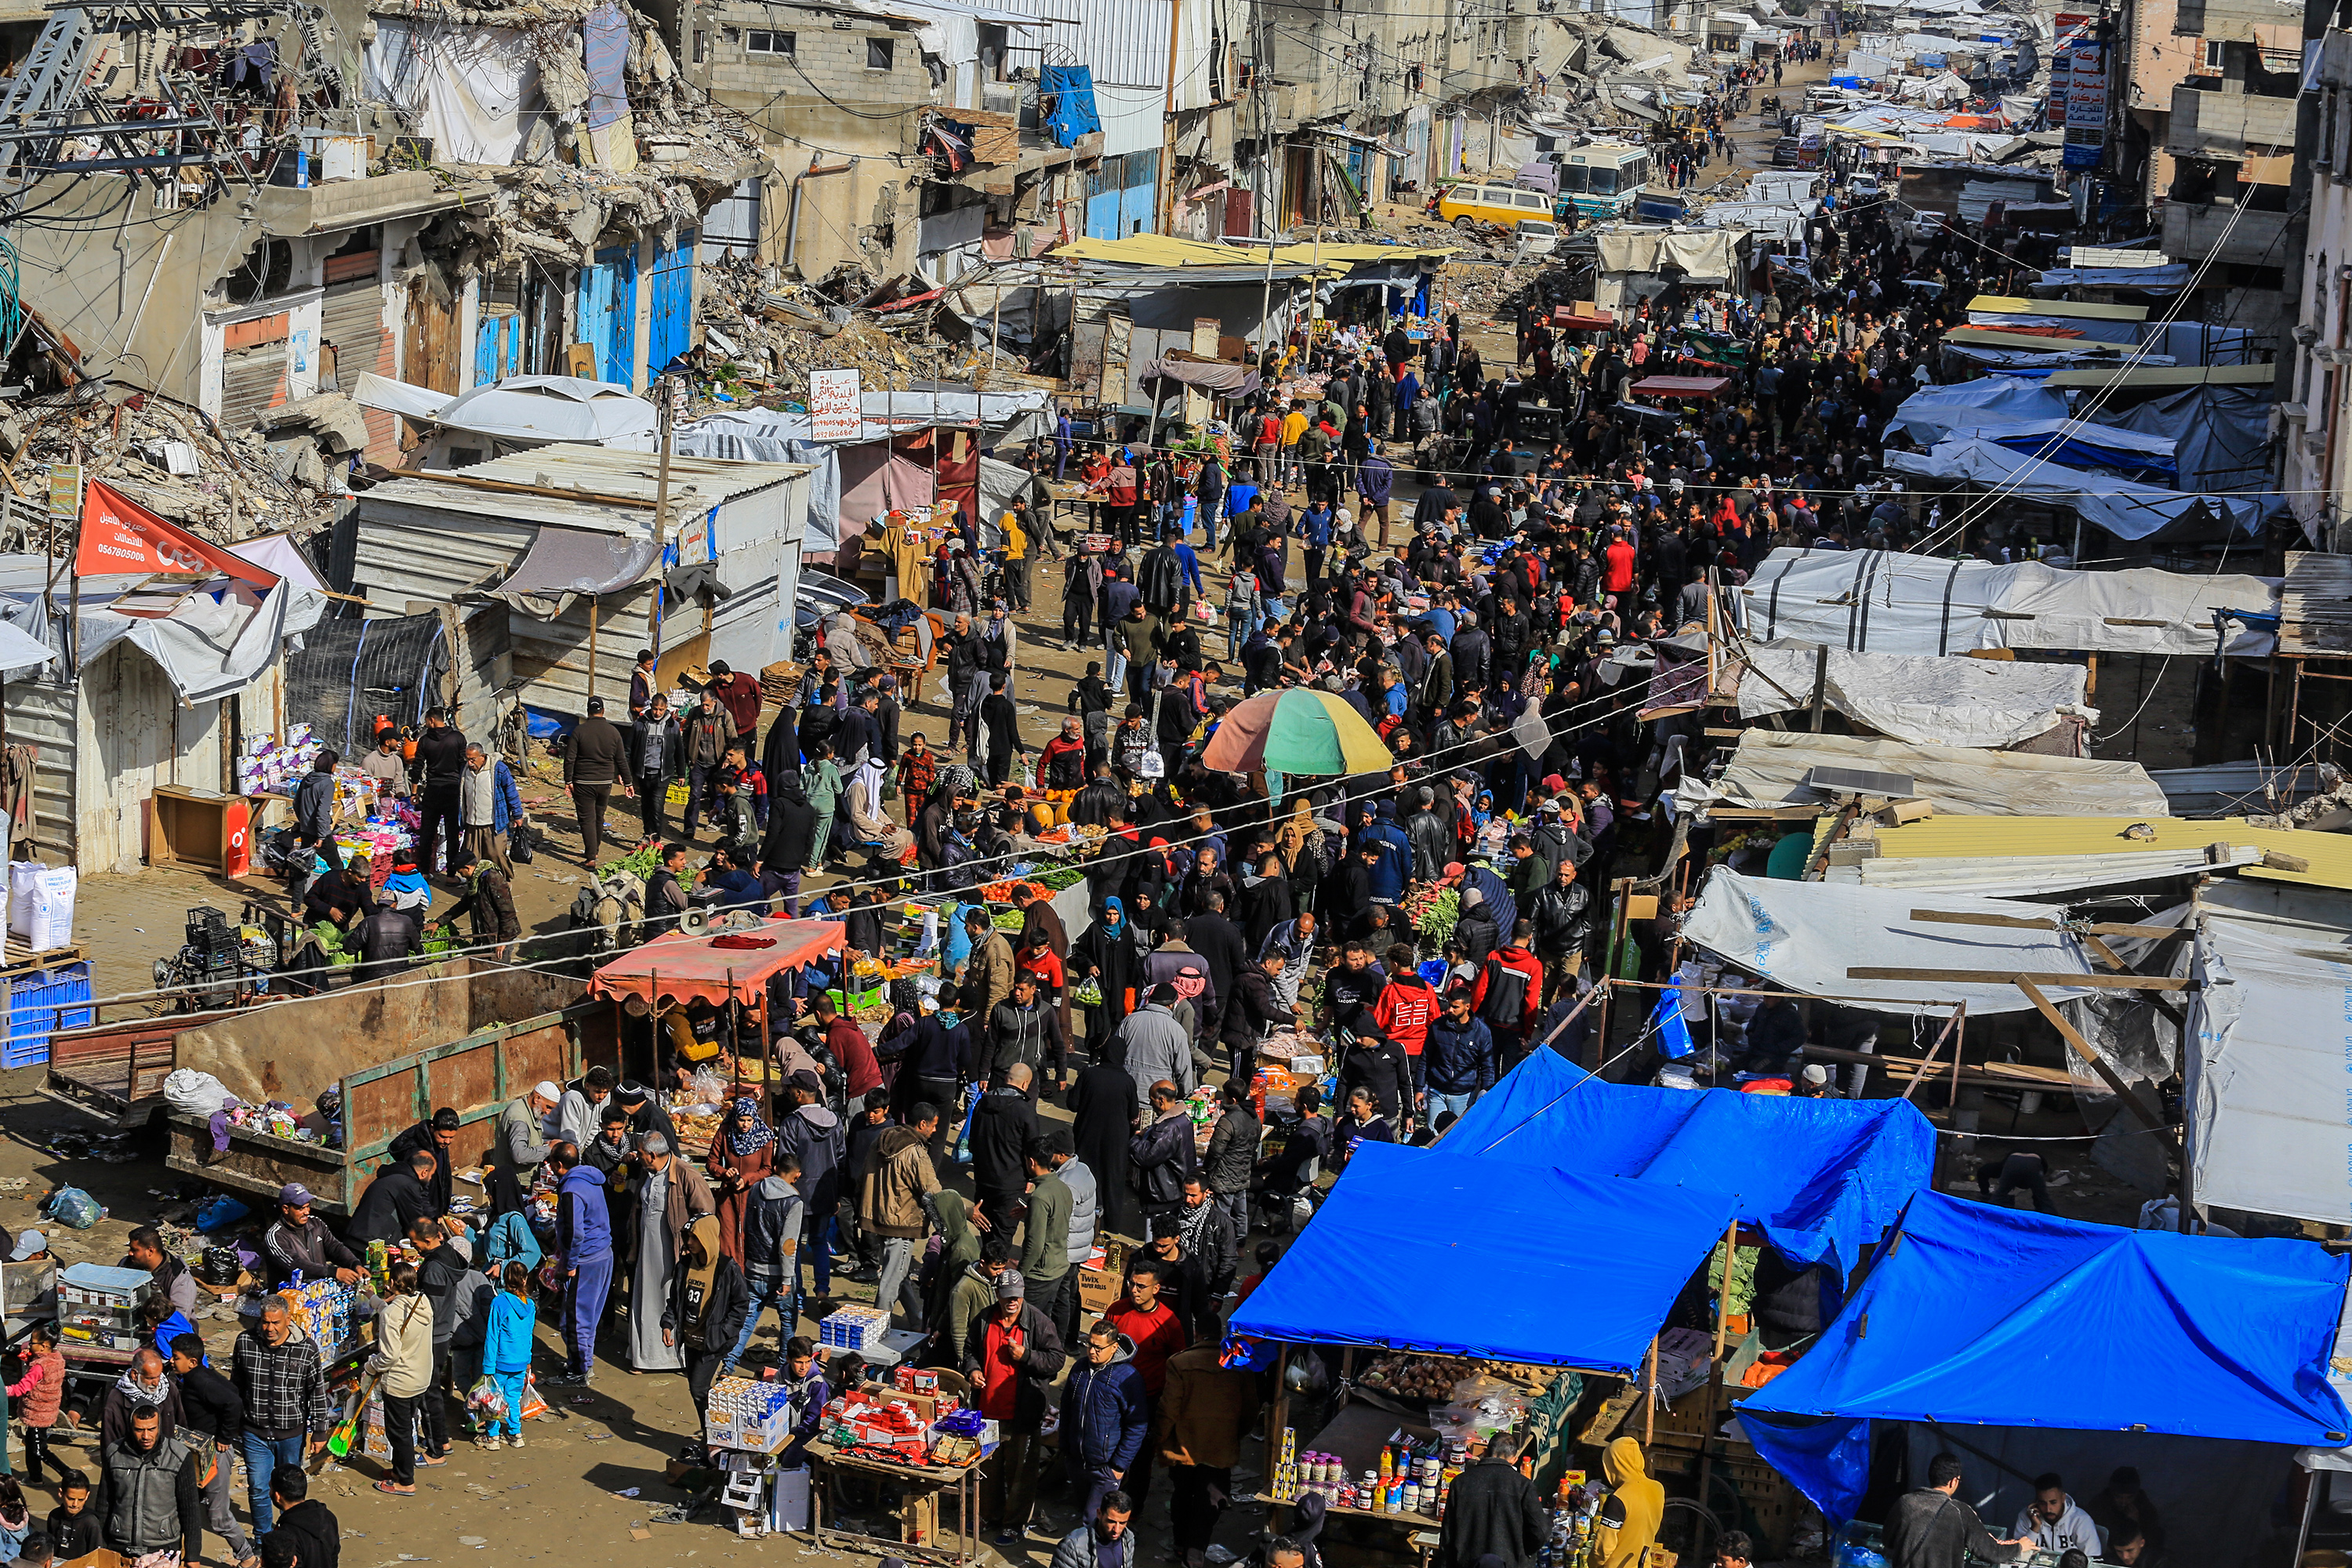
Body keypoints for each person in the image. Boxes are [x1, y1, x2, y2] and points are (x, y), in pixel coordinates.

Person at [965, 1269, 1067, 1544]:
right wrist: (973, 1369)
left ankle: (1015, 1524)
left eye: (1017, 1297)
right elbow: (970, 1349)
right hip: (988, 1413)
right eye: (1007, 1297)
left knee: (1021, 1474)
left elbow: (1057, 1360)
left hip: (1023, 1413)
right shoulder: (985, 1319)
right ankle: (990, 1515)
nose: (1012, 1302)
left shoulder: (1037, 1322)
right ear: (998, 1295)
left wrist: (1027, 1356)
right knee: (989, 1470)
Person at [1160, 1329, 1261, 1568]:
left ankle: (1181, 1545)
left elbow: (1168, 1410)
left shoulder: (1179, 1362)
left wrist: (1162, 1441)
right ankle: (1194, 1554)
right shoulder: (1239, 1365)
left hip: (1184, 1448)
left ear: (1196, 1334)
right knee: (1210, 1502)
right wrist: (1233, 1435)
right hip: (1220, 1449)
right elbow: (1251, 1409)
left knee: (1182, 1496)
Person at [232, 1294, 330, 1534]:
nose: (270, 1328)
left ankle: (290, 1534)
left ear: (288, 1320)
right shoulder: (245, 1342)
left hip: (291, 1435)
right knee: (257, 1488)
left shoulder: (307, 1350)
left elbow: (316, 1392)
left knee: (289, 1492)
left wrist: (319, 1432)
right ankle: (263, 1539)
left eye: (276, 1323)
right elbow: (236, 1385)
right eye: (265, 1322)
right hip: (255, 1432)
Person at [626, 1132, 715, 1374]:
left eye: (641, 1153)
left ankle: (677, 1359)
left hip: (673, 1251)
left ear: (652, 1155)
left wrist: (690, 1242)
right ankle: (645, 1356)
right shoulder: (647, 1172)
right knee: (646, 1298)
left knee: (673, 1299)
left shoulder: (686, 1174)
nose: (638, 1156)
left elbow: (706, 1212)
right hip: (647, 1249)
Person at [1101, 1261, 1185, 1508]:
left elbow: (1178, 1366)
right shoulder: (1116, 1311)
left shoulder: (1169, 1323)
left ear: (1156, 1288)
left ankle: (1132, 1511)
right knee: (1109, 1451)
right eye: (1131, 1284)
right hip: (1113, 1397)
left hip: (1147, 1401)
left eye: (1141, 1286)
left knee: (1140, 1457)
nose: (1134, 1290)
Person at [666, 1214, 748, 1454]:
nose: (689, 1242)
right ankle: (713, 1431)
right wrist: (668, 1324)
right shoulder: (684, 1267)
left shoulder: (726, 1270)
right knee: (698, 1389)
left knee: (699, 1389)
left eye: (694, 1237)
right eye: (687, 1237)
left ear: (708, 1238)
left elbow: (741, 1305)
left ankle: (713, 1436)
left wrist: (724, 1332)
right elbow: (675, 1302)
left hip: (712, 1342)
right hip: (690, 1340)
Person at [859, 1103, 942, 1327]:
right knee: (890, 1282)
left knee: (898, 1272)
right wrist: (963, 1212)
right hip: (902, 1222)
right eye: (933, 1126)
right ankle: (875, 1332)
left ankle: (916, 1322)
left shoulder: (883, 1138)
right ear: (922, 1124)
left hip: (878, 1219)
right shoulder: (915, 1152)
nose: (935, 1131)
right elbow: (933, 1191)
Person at [1062, 1323, 1149, 1530]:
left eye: (1098, 1348)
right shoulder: (1079, 1369)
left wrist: (1118, 1466)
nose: (1092, 1351)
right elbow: (1067, 1409)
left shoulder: (1128, 1378)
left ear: (1114, 1347)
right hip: (1077, 1462)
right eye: (1089, 1345)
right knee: (1086, 1512)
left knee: (1092, 1522)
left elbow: (1137, 1425)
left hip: (1106, 1468)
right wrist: (1066, 1448)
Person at [94, 1406, 201, 1568]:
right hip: (119, 1548)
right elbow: (104, 1503)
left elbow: (190, 1508)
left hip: (163, 1551)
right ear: (131, 1427)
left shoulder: (178, 1456)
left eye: (152, 1429)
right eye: (139, 1430)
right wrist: (99, 1546)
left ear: (159, 1426)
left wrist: (193, 1555)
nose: (146, 1436)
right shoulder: (114, 1454)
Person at [1886, 1454, 2034, 1568]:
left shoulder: (1905, 1502)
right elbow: (1991, 1553)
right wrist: (2019, 1547)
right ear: (1954, 1481)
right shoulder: (1960, 1511)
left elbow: (1887, 1540)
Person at [728, 1152, 803, 1376]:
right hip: (778, 1272)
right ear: (796, 1176)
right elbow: (787, 1245)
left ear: (775, 1168)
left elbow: (748, 1228)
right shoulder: (794, 1202)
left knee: (747, 1319)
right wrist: (787, 1279)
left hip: (753, 1267)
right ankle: (782, 1370)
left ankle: (727, 1366)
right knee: (788, 1323)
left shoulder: (755, 1190)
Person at [365, 1261, 436, 1496]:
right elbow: (391, 1312)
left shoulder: (392, 1313)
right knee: (405, 1427)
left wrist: (370, 1366)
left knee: (399, 1433)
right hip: (420, 1377)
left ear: (393, 1283)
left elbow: (388, 1356)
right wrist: (373, 1299)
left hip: (400, 1382)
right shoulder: (423, 1302)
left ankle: (405, 1481)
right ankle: (398, 1470)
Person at [551, 1141, 612, 1385]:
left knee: (576, 1320)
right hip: (603, 1253)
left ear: (558, 1165)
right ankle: (582, 1363)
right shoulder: (591, 1180)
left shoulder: (571, 1190)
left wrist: (570, 1264)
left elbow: (575, 1233)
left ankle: (578, 1371)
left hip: (586, 1260)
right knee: (588, 1316)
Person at [479, 1261, 535, 1450]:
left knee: (494, 1399)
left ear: (504, 1279)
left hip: (501, 1361)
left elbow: (492, 1335)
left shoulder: (499, 1302)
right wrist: (528, 1360)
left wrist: (488, 1366)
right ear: (525, 1280)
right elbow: (528, 1335)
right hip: (520, 1361)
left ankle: (493, 1437)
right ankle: (515, 1434)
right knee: (512, 1397)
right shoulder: (531, 1305)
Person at [262, 1185, 360, 1288]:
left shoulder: (316, 1224)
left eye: (308, 1206)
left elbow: (335, 1247)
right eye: (301, 1208)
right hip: (289, 1298)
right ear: (286, 1209)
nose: (307, 1212)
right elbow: (295, 1265)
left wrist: (354, 1264)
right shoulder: (275, 1236)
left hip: (317, 1294)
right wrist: (333, 1272)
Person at [409, 709, 467, 877]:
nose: (426, 724)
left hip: (432, 791)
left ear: (432, 721)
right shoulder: (457, 738)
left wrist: (414, 793)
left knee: (427, 833)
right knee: (452, 834)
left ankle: (425, 872)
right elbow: (463, 765)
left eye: (427, 721)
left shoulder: (425, 741)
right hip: (452, 791)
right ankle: (451, 875)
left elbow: (417, 768)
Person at [437, 848, 521, 960]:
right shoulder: (475, 881)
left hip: (499, 936)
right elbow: (464, 904)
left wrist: (502, 941)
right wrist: (439, 922)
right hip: (486, 935)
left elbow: (507, 913)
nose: (461, 875)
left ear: (467, 868)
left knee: (499, 970)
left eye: (461, 872)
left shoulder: (493, 879)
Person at [1593, 1436, 1663, 1568]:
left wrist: (1591, 1563)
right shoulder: (1658, 1488)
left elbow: (1603, 1548)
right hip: (1643, 1562)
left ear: (1614, 1465)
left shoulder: (1619, 1498)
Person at [9, 1324, 67, 1485]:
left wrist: (3, 1390)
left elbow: (21, 1388)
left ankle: (68, 1473)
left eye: (32, 1342)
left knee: (39, 1450)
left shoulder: (38, 1368)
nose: (29, 1344)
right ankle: (35, 1477)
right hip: (48, 1409)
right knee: (31, 1445)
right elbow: (29, 1357)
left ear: (43, 1346)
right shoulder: (55, 1358)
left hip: (37, 1414)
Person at [349, 1149, 438, 1247]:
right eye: (431, 1175)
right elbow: (416, 1222)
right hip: (369, 1244)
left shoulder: (394, 1177)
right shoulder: (407, 1185)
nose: (430, 1179)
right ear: (424, 1172)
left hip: (358, 1237)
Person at [100, 1346, 182, 1448]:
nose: (156, 1383)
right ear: (135, 1375)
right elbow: (109, 1444)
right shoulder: (117, 1400)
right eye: (150, 1378)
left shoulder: (168, 1389)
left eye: (158, 1376)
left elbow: (181, 1425)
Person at [262, 1466, 339, 1568]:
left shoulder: (286, 1535)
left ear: (277, 1496)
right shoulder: (328, 1516)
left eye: (271, 1487)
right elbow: (334, 1555)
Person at [2014, 1474, 2105, 1556]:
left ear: (2063, 1498)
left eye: (2053, 1502)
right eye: (2042, 1503)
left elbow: (2093, 1558)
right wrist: (2035, 1528)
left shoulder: (2081, 1519)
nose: (2048, 1509)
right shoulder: (2025, 1516)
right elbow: (2019, 1555)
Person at [1051, 1492, 1136, 1568]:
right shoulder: (1073, 1547)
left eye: (1122, 1523)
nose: (1117, 1530)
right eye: (1111, 1522)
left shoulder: (1128, 1538)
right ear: (1099, 1514)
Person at [45, 1475, 100, 1563]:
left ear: (87, 1496)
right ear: (61, 1493)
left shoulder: (91, 1523)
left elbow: (96, 1556)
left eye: (81, 1500)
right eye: (71, 1499)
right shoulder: (54, 1516)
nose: (75, 1504)